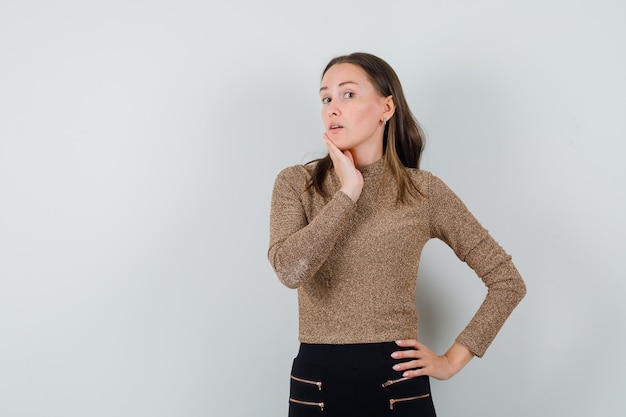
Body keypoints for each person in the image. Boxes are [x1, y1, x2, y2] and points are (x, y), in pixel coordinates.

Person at [268, 52, 526, 417]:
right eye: (326, 98)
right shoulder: (297, 183)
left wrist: (451, 361)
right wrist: (348, 193)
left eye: (348, 94)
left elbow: (507, 281)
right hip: (318, 385)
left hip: (397, 384)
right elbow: (290, 271)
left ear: (386, 107)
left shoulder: (423, 191)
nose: (332, 108)